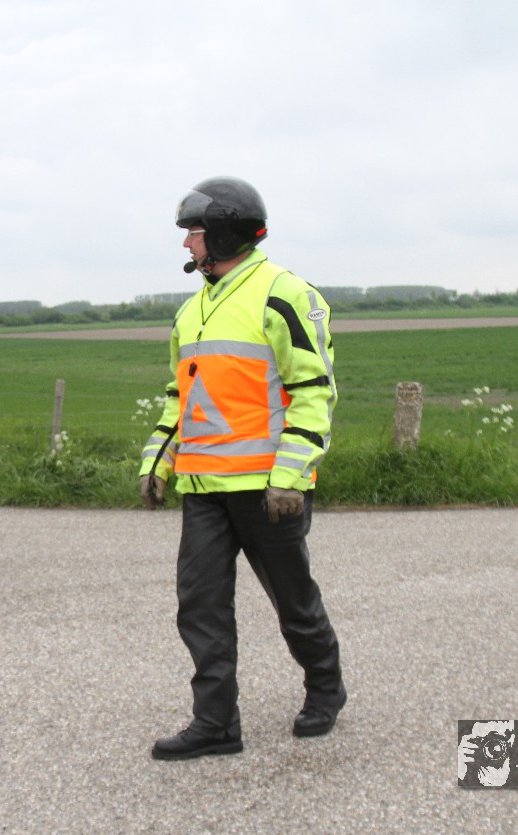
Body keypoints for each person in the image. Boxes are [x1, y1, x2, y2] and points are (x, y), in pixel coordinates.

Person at [139, 176, 346, 761]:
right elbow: (181, 398)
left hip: (267, 489)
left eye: (194, 232)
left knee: (293, 601)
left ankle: (326, 688)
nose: (187, 243)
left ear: (225, 233)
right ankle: (216, 724)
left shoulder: (284, 294)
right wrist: (158, 460)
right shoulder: (191, 311)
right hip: (203, 487)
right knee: (199, 606)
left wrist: (291, 476)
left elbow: (313, 390)